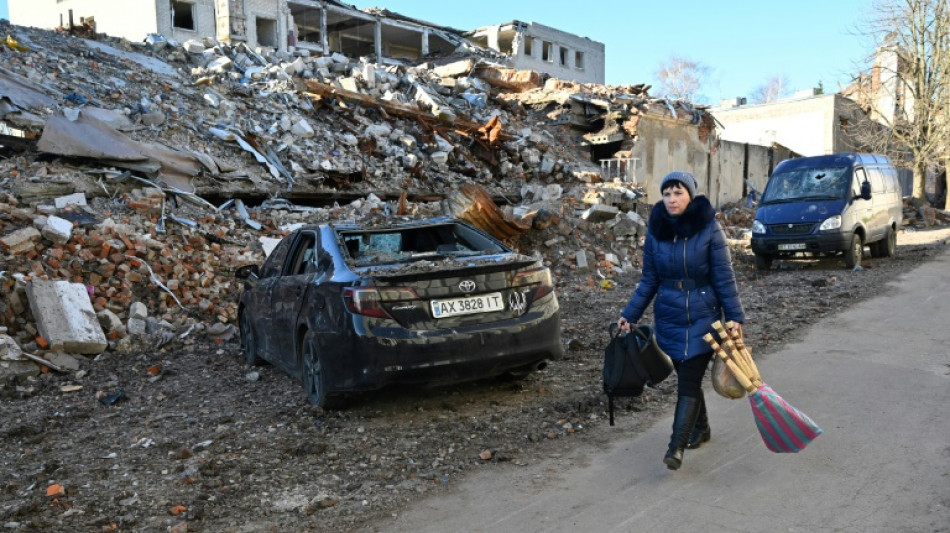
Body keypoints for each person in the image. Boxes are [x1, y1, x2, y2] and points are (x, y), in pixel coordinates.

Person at [617, 171, 745, 471]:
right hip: (669, 316)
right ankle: (702, 429)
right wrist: (629, 315)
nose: (672, 199)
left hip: (703, 314)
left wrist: (735, 317)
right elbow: (649, 279)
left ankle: (676, 447)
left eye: (678, 193)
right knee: (685, 375)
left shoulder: (709, 228)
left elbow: (724, 277)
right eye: (667, 194)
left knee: (688, 381)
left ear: (690, 195)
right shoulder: (656, 230)